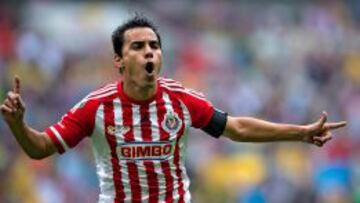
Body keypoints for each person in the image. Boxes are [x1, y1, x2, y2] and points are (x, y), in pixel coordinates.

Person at [0, 15, 346, 203]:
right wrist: (18, 125)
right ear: (119, 61)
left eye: (154, 45)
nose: (149, 52)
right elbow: (41, 147)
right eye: (138, 46)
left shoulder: (180, 100)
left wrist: (300, 133)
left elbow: (236, 128)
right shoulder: (96, 107)